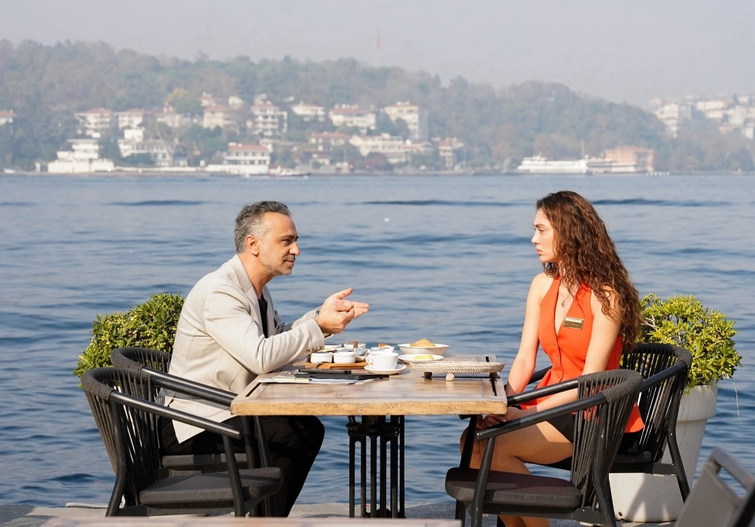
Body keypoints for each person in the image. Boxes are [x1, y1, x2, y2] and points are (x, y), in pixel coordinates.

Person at [161, 200, 369, 516]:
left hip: (225, 409)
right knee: (296, 434)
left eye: (295, 240)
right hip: (194, 423)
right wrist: (319, 326)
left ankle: (265, 519)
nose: (296, 250)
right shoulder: (221, 291)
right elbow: (261, 356)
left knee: (303, 429)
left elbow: (275, 336)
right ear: (253, 244)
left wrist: (320, 316)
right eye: (286, 241)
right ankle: (266, 522)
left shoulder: (255, 289)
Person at [466, 190, 643, 527]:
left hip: (596, 413)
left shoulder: (605, 295)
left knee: (495, 448)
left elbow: (589, 381)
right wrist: (503, 404)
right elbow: (524, 359)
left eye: (541, 230)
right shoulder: (541, 285)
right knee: (472, 440)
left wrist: (524, 412)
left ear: (569, 232)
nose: (533, 239)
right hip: (552, 401)